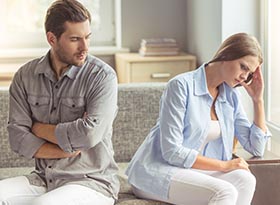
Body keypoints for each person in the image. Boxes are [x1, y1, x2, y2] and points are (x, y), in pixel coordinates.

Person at [126, 33, 271, 205]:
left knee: (246, 180)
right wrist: (224, 165)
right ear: (227, 55)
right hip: (158, 171)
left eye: (249, 73)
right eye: (243, 67)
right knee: (225, 191)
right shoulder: (180, 86)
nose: (244, 77)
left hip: (195, 171)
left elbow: (257, 147)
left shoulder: (231, 96)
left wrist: (258, 100)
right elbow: (171, 151)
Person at [0, 0, 119, 204]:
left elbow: (89, 134)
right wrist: (64, 150)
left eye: (87, 37)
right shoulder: (25, 76)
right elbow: (17, 137)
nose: (85, 47)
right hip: (44, 178)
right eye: (75, 39)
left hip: (91, 182)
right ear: (52, 38)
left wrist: (37, 129)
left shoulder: (102, 77)